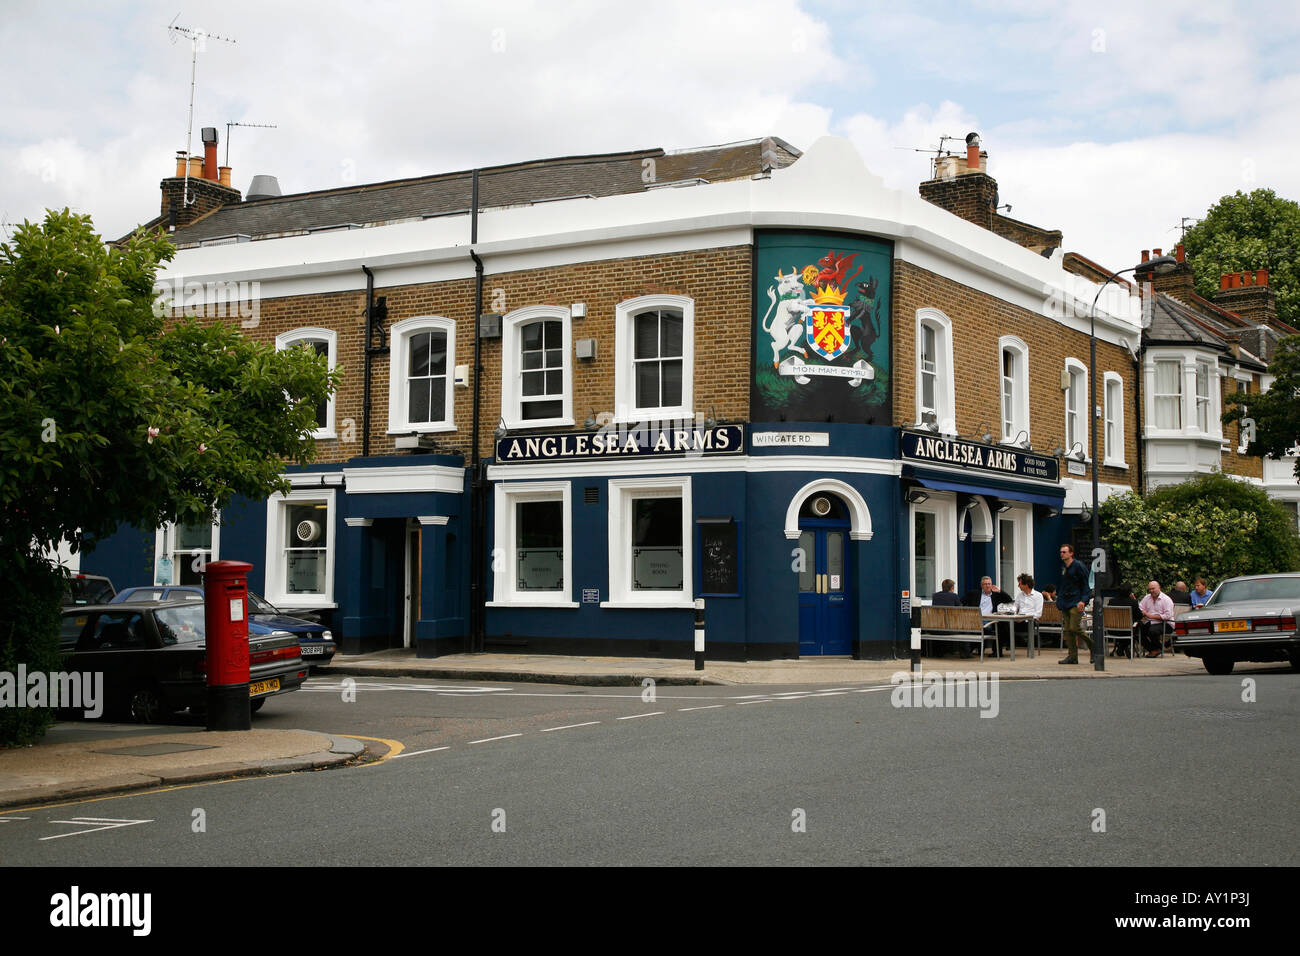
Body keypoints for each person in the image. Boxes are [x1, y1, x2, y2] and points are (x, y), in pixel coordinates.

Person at [1057, 543, 1092, 664]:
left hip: (1076, 602)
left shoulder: (1078, 566)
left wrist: (1083, 600)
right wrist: (1059, 600)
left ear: (1071, 553)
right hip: (1065, 602)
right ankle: (1072, 656)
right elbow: (1064, 585)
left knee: (1074, 627)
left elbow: (1086, 584)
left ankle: (1094, 647)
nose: (1062, 554)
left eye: (1064, 552)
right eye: (1061, 552)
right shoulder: (1064, 568)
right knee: (1068, 630)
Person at [1138, 580, 1176, 657]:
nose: (1151, 591)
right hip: (1151, 622)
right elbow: (1140, 607)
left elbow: (1167, 616)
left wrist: (1151, 616)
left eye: (1153, 589)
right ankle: (1154, 649)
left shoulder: (1166, 599)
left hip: (1166, 623)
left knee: (1152, 630)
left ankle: (1158, 648)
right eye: (1150, 589)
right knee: (1137, 630)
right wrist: (1143, 612)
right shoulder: (1147, 597)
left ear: (1159, 588)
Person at [1012, 572, 1044, 650]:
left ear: (1026, 585)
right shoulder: (1019, 595)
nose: (1018, 586)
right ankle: (1006, 647)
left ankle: (1015, 643)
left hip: (1030, 621)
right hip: (1018, 620)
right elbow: (1014, 608)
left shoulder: (1038, 596)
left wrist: (1024, 618)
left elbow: (1038, 614)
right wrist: (1012, 614)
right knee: (1003, 624)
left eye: (1020, 584)